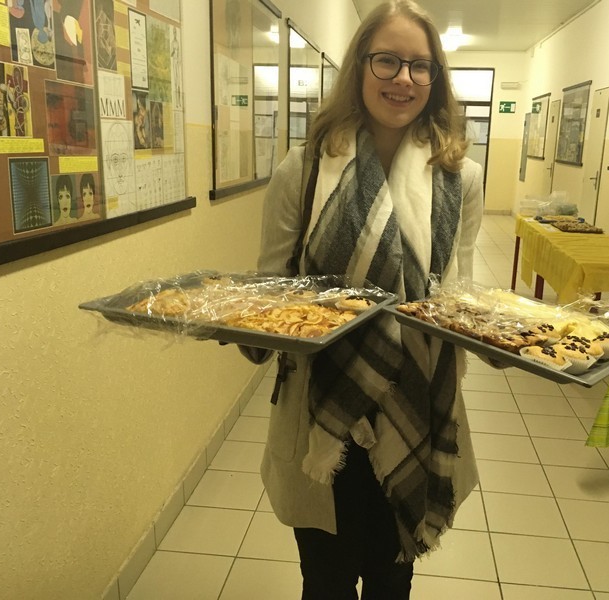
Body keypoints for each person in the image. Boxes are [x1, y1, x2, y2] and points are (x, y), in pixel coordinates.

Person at [255, 1, 483, 598]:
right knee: (325, 581)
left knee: (392, 579)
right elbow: (270, 289)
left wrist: (491, 335)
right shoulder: (304, 169)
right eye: (387, 61)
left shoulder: (461, 178)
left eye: (419, 65)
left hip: (416, 404)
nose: (403, 79)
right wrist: (243, 325)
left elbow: (453, 293)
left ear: (435, 78)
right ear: (359, 66)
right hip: (323, 410)